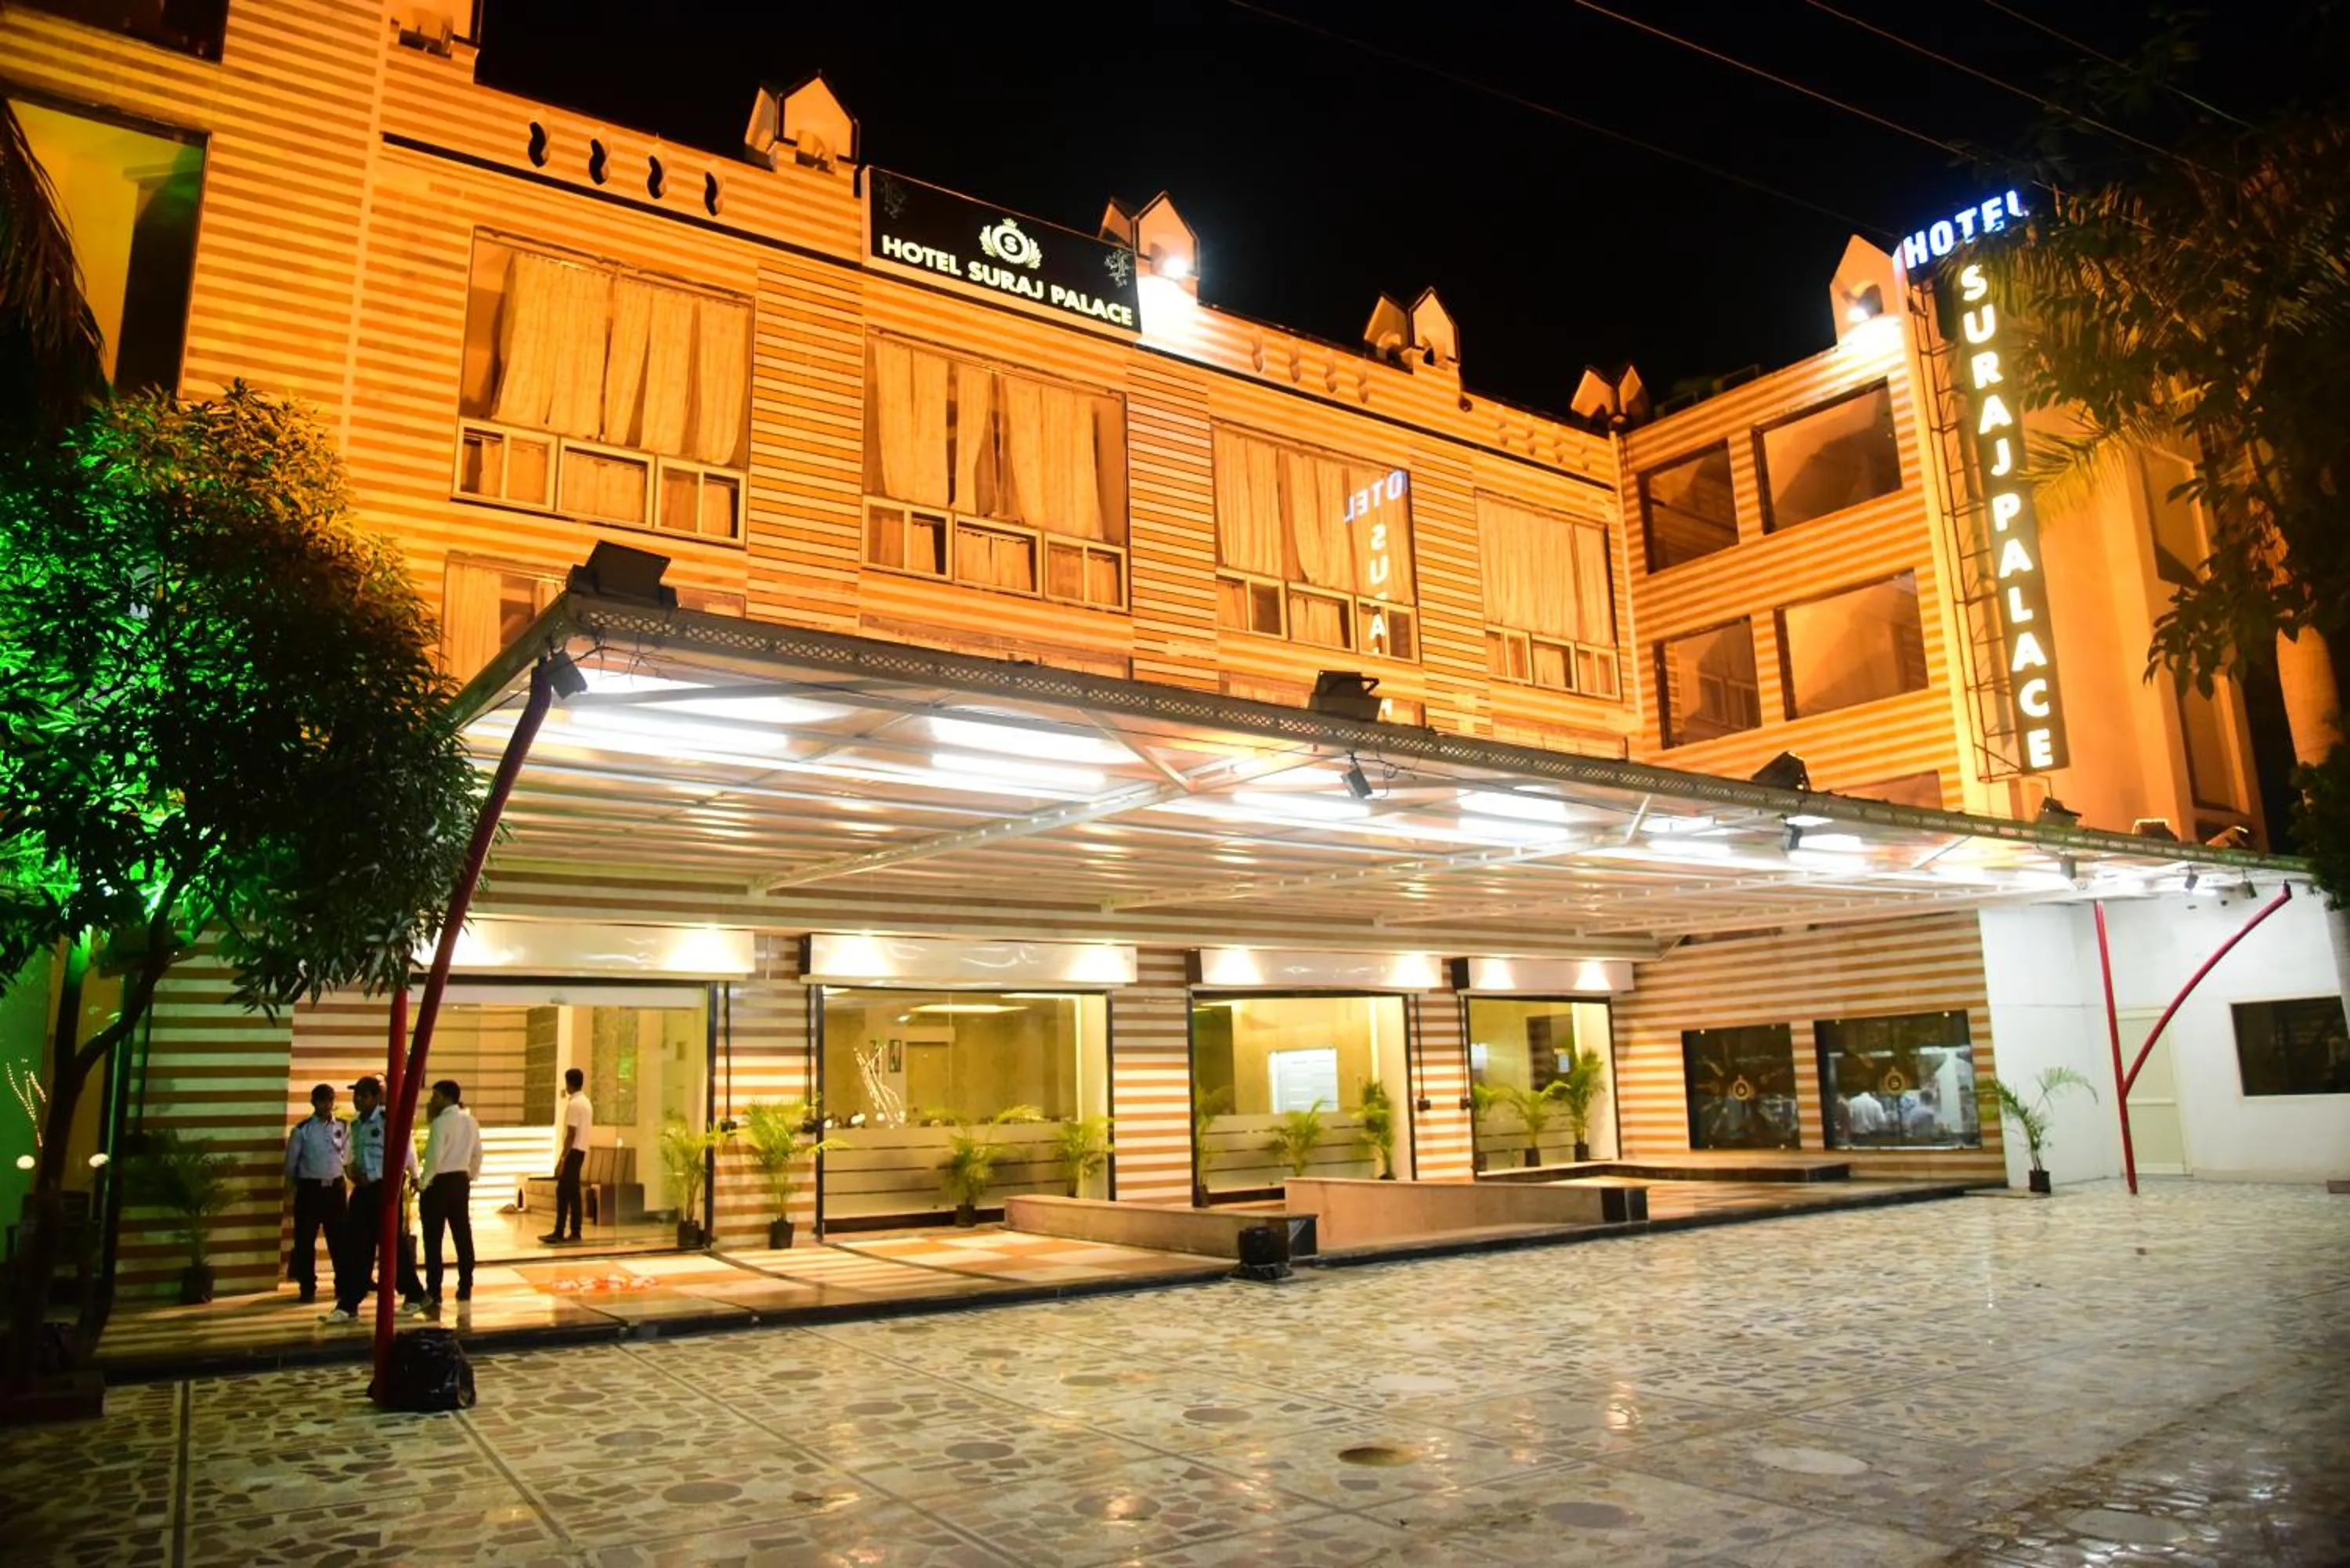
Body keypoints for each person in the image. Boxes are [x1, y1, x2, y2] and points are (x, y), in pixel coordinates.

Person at [320, 1075, 421, 1324]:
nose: (358, 1100)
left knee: (390, 1243)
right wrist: (351, 1170)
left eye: (364, 1096)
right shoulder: (356, 1126)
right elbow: (352, 1154)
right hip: (364, 1190)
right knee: (357, 1245)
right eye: (356, 1095)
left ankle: (414, 1293)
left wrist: (415, 1175)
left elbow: (404, 1151)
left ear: (376, 1097)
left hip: (384, 1190)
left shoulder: (388, 1121)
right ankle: (349, 1302)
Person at [408, 1078, 482, 1316]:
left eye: (436, 1096)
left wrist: (423, 1183)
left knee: (433, 1239)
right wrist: (470, 1175)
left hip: (439, 1183)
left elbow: (434, 1158)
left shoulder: (440, 1123)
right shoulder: (471, 1121)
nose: (432, 1100)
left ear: (449, 1098)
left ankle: (435, 1291)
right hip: (460, 1181)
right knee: (462, 1234)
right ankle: (465, 1286)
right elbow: (478, 1154)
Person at [282, 1083, 348, 1306]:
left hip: (336, 1189)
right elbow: (291, 1164)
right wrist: (291, 1188)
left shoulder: (342, 1127)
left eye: (329, 1100)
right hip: (310, 1189)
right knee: (305, 1241)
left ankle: (343, 1286)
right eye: (321, 1101)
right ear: (314, 1103)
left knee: (339, 1241)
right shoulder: (302, 1130)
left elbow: (347, 1157)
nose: (326, 1105)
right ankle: (307, 1288)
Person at [540, 1066, 592, 1245]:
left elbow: (571, 1133)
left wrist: (562, 1159)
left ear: (569, 1083)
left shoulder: (574, 1104)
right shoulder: (586, 1103)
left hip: (573, 1152)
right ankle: (574, 1231)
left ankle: (560, 1231)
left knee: (563, 1192)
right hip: (582, 1150)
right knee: (573, 1193)